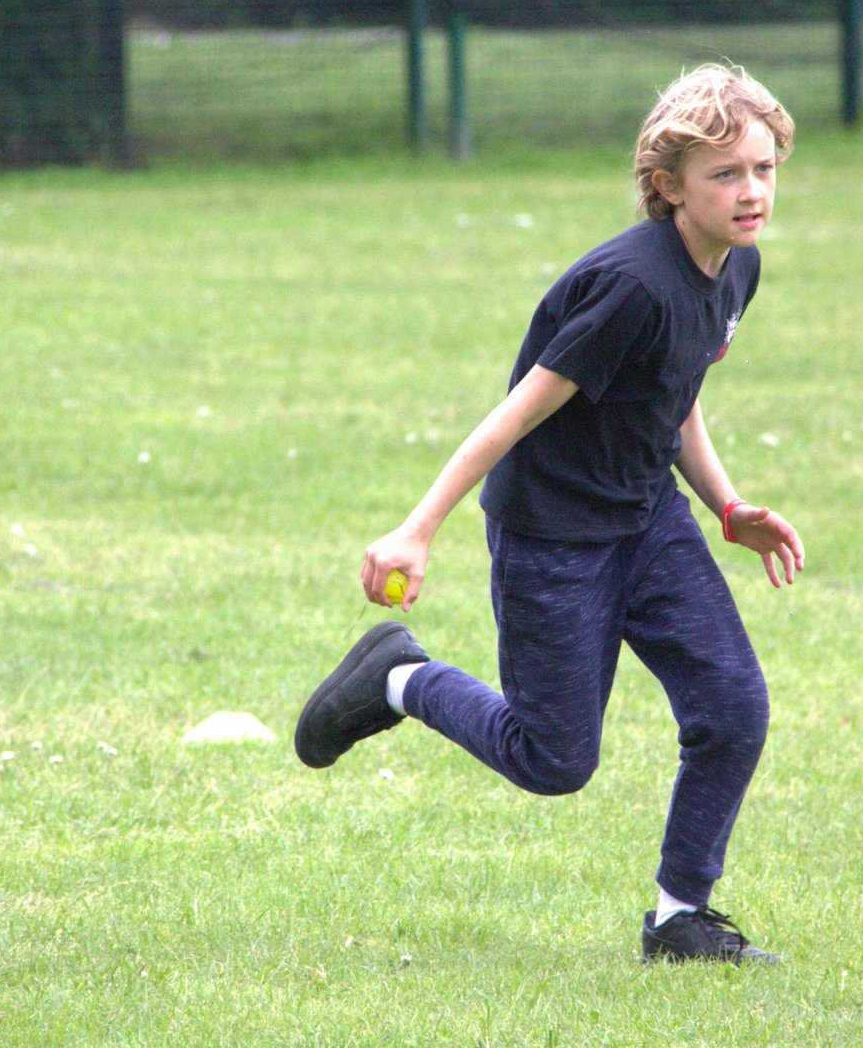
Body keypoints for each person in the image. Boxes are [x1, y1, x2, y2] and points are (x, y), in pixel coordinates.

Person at [295, 64, 804, 966]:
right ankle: (396, 679)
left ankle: (679, 919)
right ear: (668, 187)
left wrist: (724, 504)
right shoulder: (631, 287)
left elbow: (674, 390)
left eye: (762, 169)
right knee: (553, 759)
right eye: (725, 174)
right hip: (555, 536)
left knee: (734, 707)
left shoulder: (737, 267)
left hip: (648, 520)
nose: (751, 191)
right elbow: (518, 410)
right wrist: (418, 526)